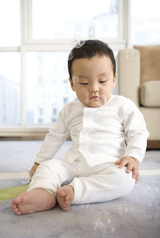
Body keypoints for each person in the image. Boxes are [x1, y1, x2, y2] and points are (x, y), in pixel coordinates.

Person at [12, 40, 149, 215]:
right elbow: (54, 137)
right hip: (73, 164)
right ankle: (43, 192)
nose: (94, 89)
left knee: (126, 179)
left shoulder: (123, 105)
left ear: (113, 79)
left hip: (108, 164)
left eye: (102, 81)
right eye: (84, 83)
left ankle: (75, 191)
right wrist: (40, 161)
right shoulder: (69, 110)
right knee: (48, 167)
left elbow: (138, 133)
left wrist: (133, 157)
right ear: (72, 84)